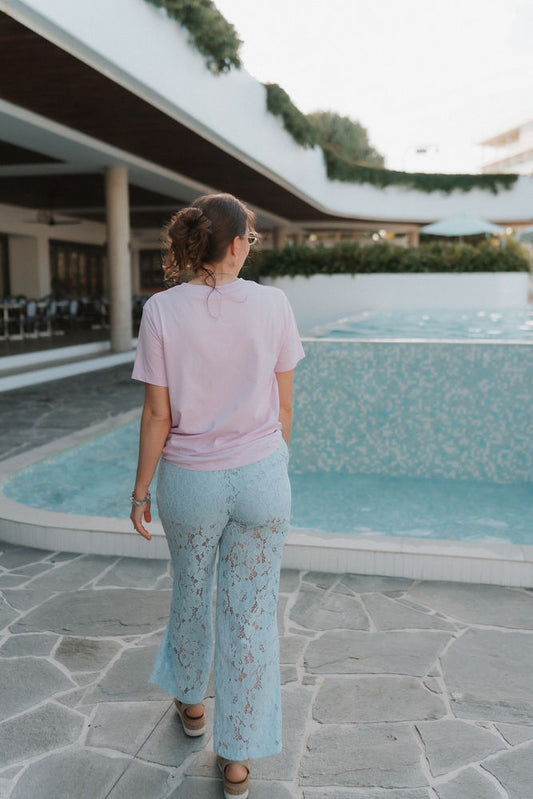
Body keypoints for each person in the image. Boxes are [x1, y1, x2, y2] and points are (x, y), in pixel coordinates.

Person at [130, 192, 304, 799]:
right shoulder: (274, 305)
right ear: (236, 245)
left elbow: (157, 414)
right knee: (251, 616)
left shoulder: (160, 311)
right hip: (261, 476)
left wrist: (140, 491)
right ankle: (236, 762)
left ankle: (193, 706)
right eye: (250, 239)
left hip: (190, 481)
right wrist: (267, 462)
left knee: (192, 589)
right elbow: (283, 407)